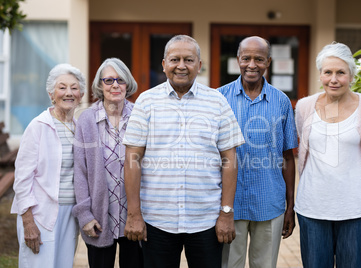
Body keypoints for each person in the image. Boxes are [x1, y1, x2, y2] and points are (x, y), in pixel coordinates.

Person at [123, 35, 245, 268]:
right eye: (175, 59)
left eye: (188, 60)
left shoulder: (217, 101)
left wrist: (226, 213)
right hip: (157, 220)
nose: (181, 65)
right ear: (164, 64)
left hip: (206, 220)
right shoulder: (146, 102)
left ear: (199, 65)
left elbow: (230, 160)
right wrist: (134, 214)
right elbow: (132, 159)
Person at [294, 42, 361, 268]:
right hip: (312, 207)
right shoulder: (305, 107)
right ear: (320, 75)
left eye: (340, 73)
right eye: (328, 72)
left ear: (352, 75)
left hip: (356, 208)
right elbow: (304, 147)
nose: (333, 79)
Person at [218, 36, 298, 268]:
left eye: (259, 59)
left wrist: (289, 206)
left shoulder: (281, 101)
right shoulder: (219, 98)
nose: (252, 64)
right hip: (230, 205)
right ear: (238, 60)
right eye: (246, 58)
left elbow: (287, 156)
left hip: (270, 202)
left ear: (268, 62)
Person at [11, 63, 86, 268]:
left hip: (70, 215)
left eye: (74, 88)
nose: (68, 93)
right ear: (52, 94)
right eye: (62, 87)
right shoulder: (38, 126)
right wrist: (28, 221)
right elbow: (22, 178)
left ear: (80, 95)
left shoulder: (79, 128)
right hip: (40, 215)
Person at [72, 58, 143, 268]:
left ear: (127, 84)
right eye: (109, 80)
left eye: (120, 80)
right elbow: (80, 171)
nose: (115, 85)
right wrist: (84, 215)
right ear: (100, 86)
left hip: (134, 214)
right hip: (100, 216)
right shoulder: (86, 120)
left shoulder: (140, 115)